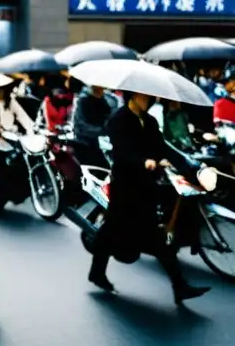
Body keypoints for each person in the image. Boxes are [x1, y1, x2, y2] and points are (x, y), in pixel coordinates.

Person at [88, 92, 210, 304]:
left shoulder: (150, 121)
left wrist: (186, 163)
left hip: (145, 187)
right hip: (124, 187)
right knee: (110, 232)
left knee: (156, 237)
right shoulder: (118, 120)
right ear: (132, 96)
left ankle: (179, 286)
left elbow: (162, 147)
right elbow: (123, 152)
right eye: (144, 97)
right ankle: (97, 273)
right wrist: (143, 161)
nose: (148, 100)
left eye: (150, 98)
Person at [71, 85, 121, 167]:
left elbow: (109, 118)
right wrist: (102, 130)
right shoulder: (82, 102)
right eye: (97, 88)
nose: (100, 91)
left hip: (100, 143)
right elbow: (81, 125)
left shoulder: (105, 102)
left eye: (101, 88)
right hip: (85, 144)